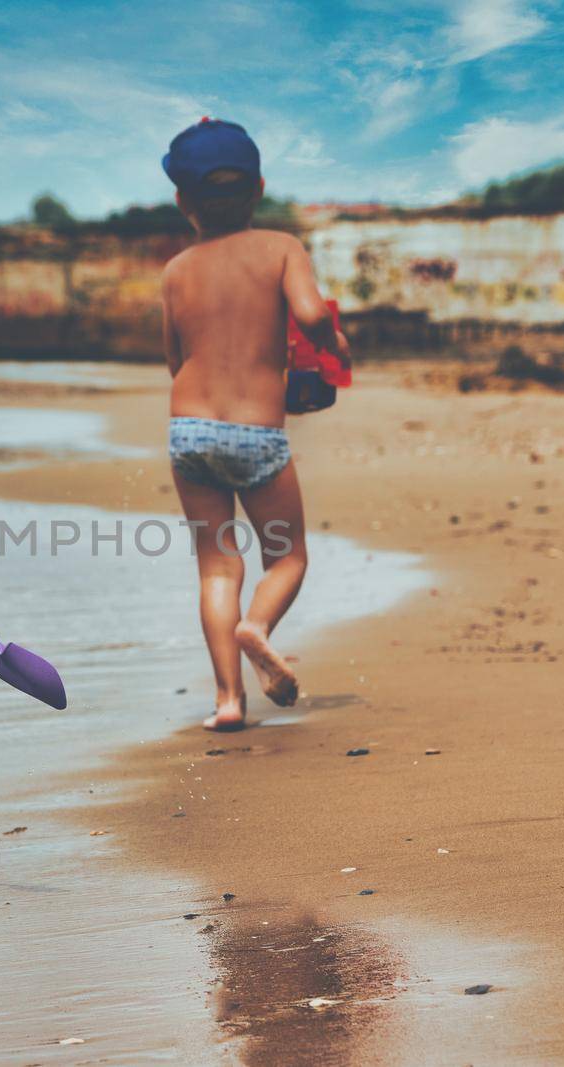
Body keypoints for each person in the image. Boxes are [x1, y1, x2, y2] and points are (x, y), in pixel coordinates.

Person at [159, 119, 349, 731]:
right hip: (258, 433)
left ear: (182, 200)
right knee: (286, 557)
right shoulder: (281, 247)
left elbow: (174, 359)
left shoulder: (176, 271)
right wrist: (332, 342)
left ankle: (228, 702)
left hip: (188, 431)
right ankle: (256, 627)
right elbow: (311, 313)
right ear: (260, 186)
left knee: (217, 566)